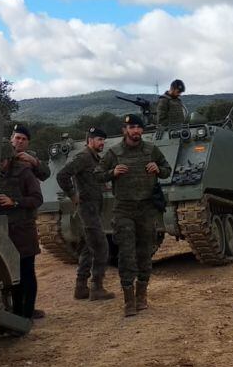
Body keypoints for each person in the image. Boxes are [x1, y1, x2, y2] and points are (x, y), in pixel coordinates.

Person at [95, 114, 171, 316]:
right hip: (124, 209)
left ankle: (142, 296)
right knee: (126, 255)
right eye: (132, 127)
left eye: (139, 127)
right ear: (124, 130)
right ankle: (129, 301)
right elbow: (97, 173)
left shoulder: (151, 150)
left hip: (146, 209)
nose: (136, 131)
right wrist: (112, 172)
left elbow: (167, 169)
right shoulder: (114, 152)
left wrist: (158, 169)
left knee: (144, 253)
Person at [55, 127, 115, 302]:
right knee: (101, 246)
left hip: (93, 207)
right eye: (98, 140)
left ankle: (81, 288)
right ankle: (97, 287)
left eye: (103, 140)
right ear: (89, 140)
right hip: (87, 208)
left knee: (89, 247)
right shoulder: (84, 157)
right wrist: (73, 195)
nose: (102, 143)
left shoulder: (95, 159)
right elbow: (62, 175)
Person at [0, 141, 44, 321]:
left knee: (26, 273)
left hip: (23, 230)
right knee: (11, 276)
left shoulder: (24, 172)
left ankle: (27, 313)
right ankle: (17, 315)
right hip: (3, 231)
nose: (0, 165)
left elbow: (37, 199)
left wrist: (14, 202)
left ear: (8, 158)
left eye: (2, 161)